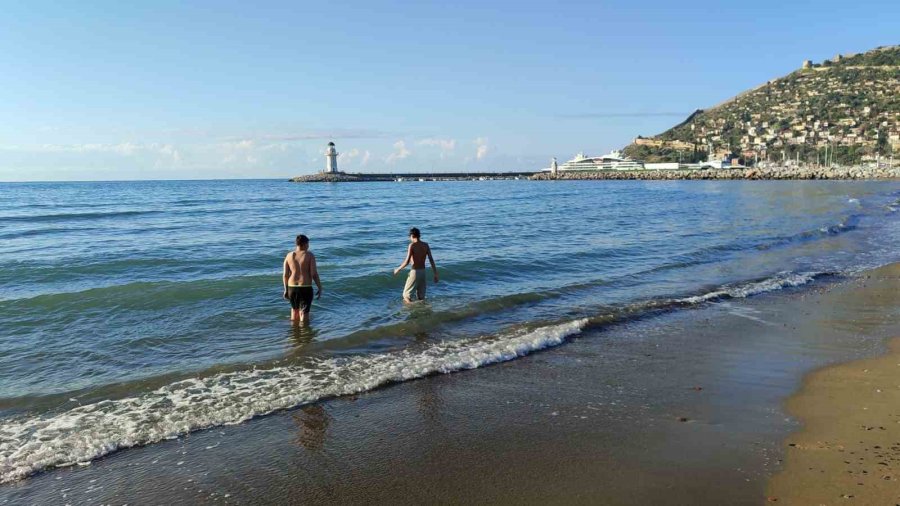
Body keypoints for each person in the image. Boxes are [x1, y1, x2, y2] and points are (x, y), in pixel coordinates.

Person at [283, 234, 322, 323]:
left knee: (294, 310)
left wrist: (285, 290)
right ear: (304, 244)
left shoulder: (288, 256)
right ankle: (304, 335)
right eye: (308, 244)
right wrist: (320, 287)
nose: (308, 246)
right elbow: (314, 274)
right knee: (304, 313)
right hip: (305, 287)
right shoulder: (309, 255)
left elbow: (285, 275)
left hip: (291, 287)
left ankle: (294, 334)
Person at [393, 227, 438, 303]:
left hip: (415, 272)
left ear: (412, 236)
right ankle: (423, 311)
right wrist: (435, 274)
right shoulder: (426, 245)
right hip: (423, 272)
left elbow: (407, 261)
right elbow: (431, 260)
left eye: (410, 236)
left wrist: (398, 269)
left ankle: (412, 307)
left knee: (406, 296)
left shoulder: (412, 245)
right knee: (421, 297)